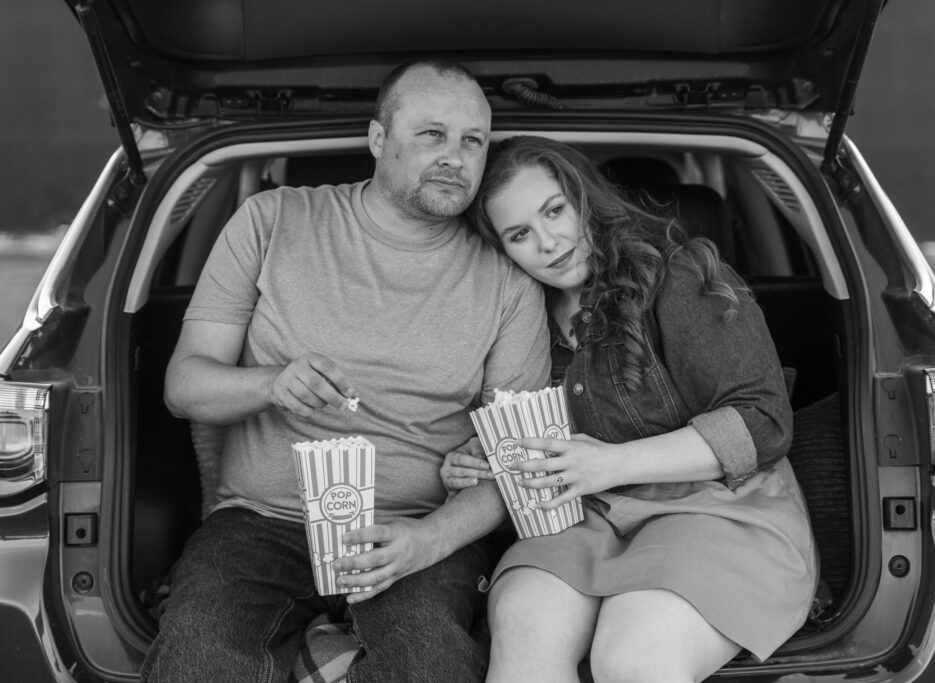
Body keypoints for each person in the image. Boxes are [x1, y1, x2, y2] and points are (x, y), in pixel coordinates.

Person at [143, 62, 551, 683]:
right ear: (377, 139)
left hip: (419, 529)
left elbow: (517, 469)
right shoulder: (272, 220)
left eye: (472, 140)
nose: (455, 156)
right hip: (262, 521)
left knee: (431, 665)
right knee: (200, 657)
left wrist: (429, 542)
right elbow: (184, 388)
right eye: (431, 135)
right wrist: (269, 384)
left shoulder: (509, 279)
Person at [442, 135, 818, 682]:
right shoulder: (516, 316)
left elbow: (761, 423)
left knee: (633, 659)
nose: (548, 242)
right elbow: (534, 435)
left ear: (584, 199)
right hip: (581, 516)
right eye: (520, 234)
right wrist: (477, 462)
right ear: (501, 249)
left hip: (717, 508)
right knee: (525, 628)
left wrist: (611, 464)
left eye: (555, 211)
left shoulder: (677, 275)